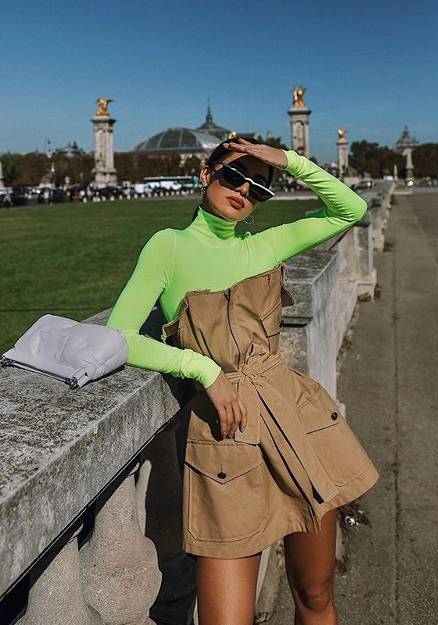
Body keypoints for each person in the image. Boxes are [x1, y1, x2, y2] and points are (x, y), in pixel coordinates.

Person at [106, 137, 379, 625]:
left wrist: (287, 160)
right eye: (234, 176)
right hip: (226, 437)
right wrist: (204, 370)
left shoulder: (263, 245)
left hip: (296, 418)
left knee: (315, 594)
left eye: (260, 187)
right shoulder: (169, 246)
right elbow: (120, 337)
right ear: (205, 175)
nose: (244, 191)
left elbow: (349, 209)